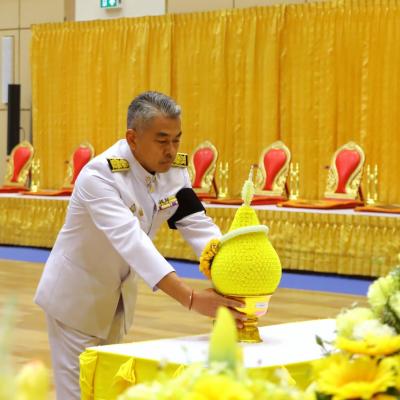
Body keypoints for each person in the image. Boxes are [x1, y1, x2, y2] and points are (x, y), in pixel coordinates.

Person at [34, 91, 246, 399]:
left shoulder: (175, 171)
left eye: (177, 140)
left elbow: (196, 224)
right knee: (77, 394)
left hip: (116, 300)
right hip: (75, 300)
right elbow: (132, 242)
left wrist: (231, 270)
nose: (171, 151)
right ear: (132, 138)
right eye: (162, 141)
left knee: (105, 390)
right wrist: (190, 299)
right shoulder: (100, 175)